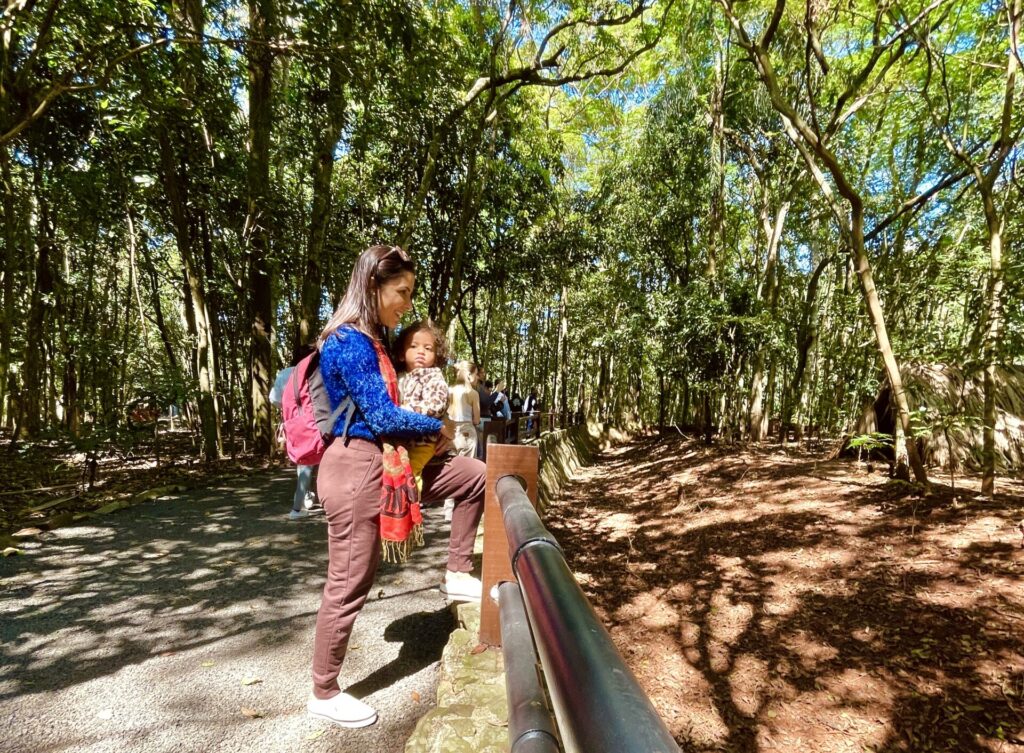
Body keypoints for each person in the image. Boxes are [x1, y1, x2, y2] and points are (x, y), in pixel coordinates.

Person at [308, 245, 485, 729]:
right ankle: (324, 690)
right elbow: (382, 415)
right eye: (401, 292)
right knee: (349, 583)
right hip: (357, 466)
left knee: (474, 478)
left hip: (392, 463)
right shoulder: (349, 341)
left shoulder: (378, 341)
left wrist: (434, 432)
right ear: (373, 286)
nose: (407, 303)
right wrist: (437, 427)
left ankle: (456, 570)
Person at [392, 319, 450, 490]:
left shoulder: (433, 376)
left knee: (411, 470)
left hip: (422, 442)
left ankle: (411, 505)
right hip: (402, 438)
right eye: (414, 346)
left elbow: (437, 404)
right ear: (402, 353)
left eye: (427, 348)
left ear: (436, 355)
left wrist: (403, 412)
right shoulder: (398, 376)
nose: (421, 352)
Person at [270, 346, 319, 521]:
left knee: (304, 464)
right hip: (318, 423)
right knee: (321, 463)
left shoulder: (285, 374)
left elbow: (274, 399)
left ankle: (301, 505)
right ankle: (303, 504)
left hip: (294, 425)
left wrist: (289, 407)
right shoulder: (316, 370)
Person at [449, 360, 481, 459]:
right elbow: (477, 420)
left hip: (451, 433)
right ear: (468, 375)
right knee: (468, 468)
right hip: (467, 434)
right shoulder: (473, 393)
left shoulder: (449, 390)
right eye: (476, 374)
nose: (478, 377)